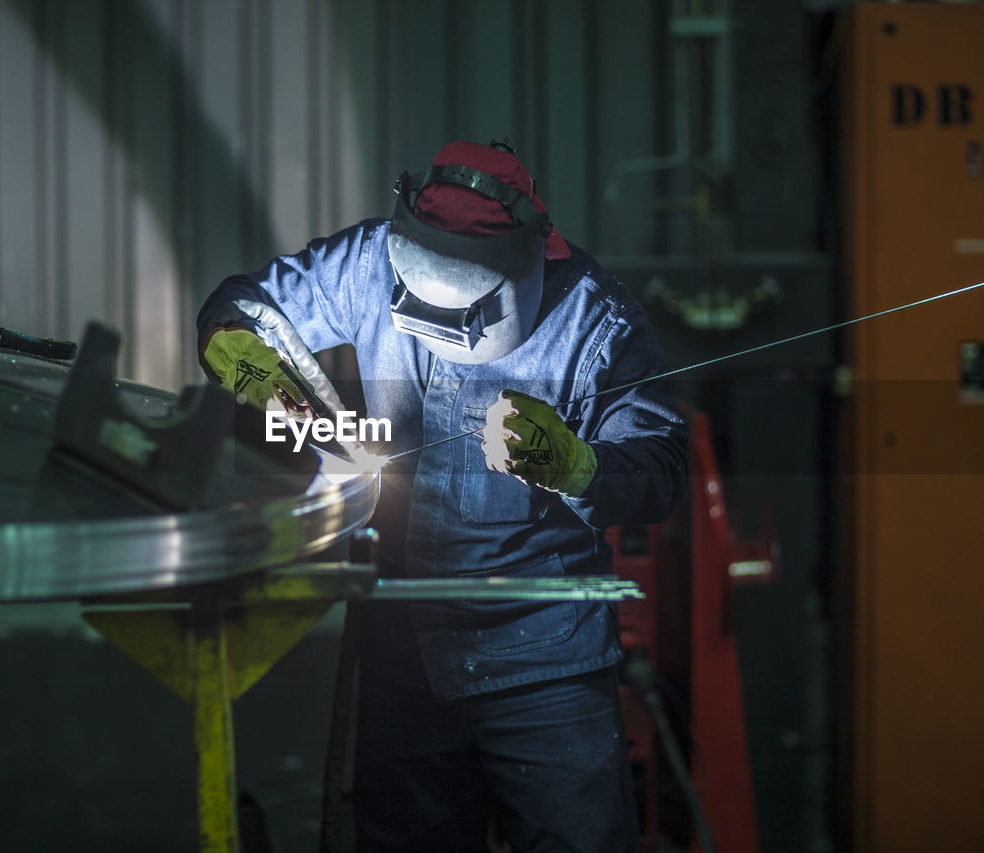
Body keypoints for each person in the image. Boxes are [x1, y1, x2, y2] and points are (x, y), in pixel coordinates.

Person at [198, 140, 688, 851]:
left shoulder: (594, 320)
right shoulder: (369, 263)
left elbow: (662, 468)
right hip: (405, 656)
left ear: (528, 260)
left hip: (542, 668)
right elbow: (248, 301)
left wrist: (580, 466)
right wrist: (242, 348)